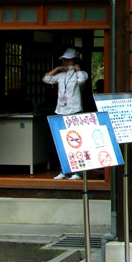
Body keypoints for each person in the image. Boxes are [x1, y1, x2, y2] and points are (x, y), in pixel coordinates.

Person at [43, 47, 89, 180]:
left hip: (74, 110)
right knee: (62, 141)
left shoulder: (81, 74)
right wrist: (57, 69)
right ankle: (64, 170)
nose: (66, 63)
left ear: (75, 60)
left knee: (76, 141)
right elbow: (46, 79)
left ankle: (78, 172)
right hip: (61, 110)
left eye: (69, 60)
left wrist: (77, 69)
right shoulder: (61, 75)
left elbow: (82, 80)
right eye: (65, 60)